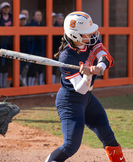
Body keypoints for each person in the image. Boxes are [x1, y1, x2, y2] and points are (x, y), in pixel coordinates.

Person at [45, 11, 126, 162]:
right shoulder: (66, 57)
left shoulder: (90, 41)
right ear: (75, 35)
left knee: (108, 136)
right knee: (71, 145)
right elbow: (80, 89)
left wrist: (99, 67)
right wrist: (88, 75)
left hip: (87, 99)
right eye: (87, 33)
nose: (92, 34)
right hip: (70, 102)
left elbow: (106, 56)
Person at [28, 10, 46, 85]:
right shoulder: (31, 25)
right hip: (34, 51)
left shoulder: (44, 26)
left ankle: (40, 85)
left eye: (40, 15)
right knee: (32, 69)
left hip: (42, 51)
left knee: (41, 69)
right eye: (37, 15)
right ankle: (29, 86)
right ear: (33, 17)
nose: (39, 17)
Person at [0, 2, 13, 88]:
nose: (6, 9)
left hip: (10, 43)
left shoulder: (12, 17)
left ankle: (4, 84)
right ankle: (0, 84)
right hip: (1, 43)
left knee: (7, 64)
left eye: (7, 7)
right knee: (1, 64)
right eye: (4, 7)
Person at [52, 13, 64, 83]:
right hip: (54, 49)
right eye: (59, 19)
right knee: (53, 66)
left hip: (62, 50)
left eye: (61, 19)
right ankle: (52, 83)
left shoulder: (65, 27)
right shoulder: (53, 26)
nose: (60, 20)